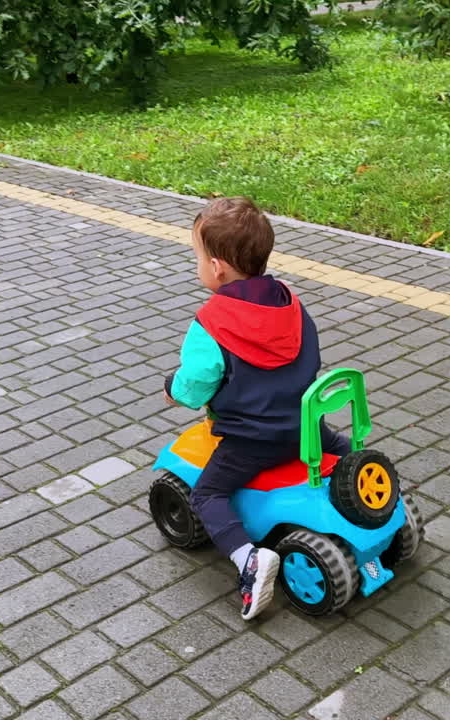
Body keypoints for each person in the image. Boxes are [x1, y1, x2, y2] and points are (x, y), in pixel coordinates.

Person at [163, 196, 350, 621]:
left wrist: (173, 389)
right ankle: (357, 470)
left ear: (217, 267)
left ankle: (249, 558)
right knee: (334, 444)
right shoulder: (290, 302)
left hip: (251, 441)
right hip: (303, 426)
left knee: (208, 492)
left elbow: (195, 385)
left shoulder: (211, 323)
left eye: (197, 256)